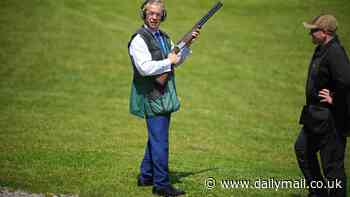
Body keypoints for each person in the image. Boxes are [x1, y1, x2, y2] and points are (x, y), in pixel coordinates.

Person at [127, 0, 199, 196]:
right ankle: (161, 185)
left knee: (156, 138)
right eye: (150, 13)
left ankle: (146, 175)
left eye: (158, 14)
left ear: (163, 16)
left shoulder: (164, 37)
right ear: (144, 14)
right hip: (151, 94)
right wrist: (168, 61)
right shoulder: (139, 40)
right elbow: (144, 67)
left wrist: (187, 44)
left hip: (163, 93)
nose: (154, 17)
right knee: (161, 141)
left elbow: (176, 61)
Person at [295, 14, 350, 197]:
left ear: (325, 32)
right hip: (315, 116)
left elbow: (347, 82)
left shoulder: (335, 53)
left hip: (331, 120)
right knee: (303, 149)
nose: (310, 33)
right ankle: (318, 193)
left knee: (332, 167)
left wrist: (334, 97)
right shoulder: (322, 49)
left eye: (313, 30)